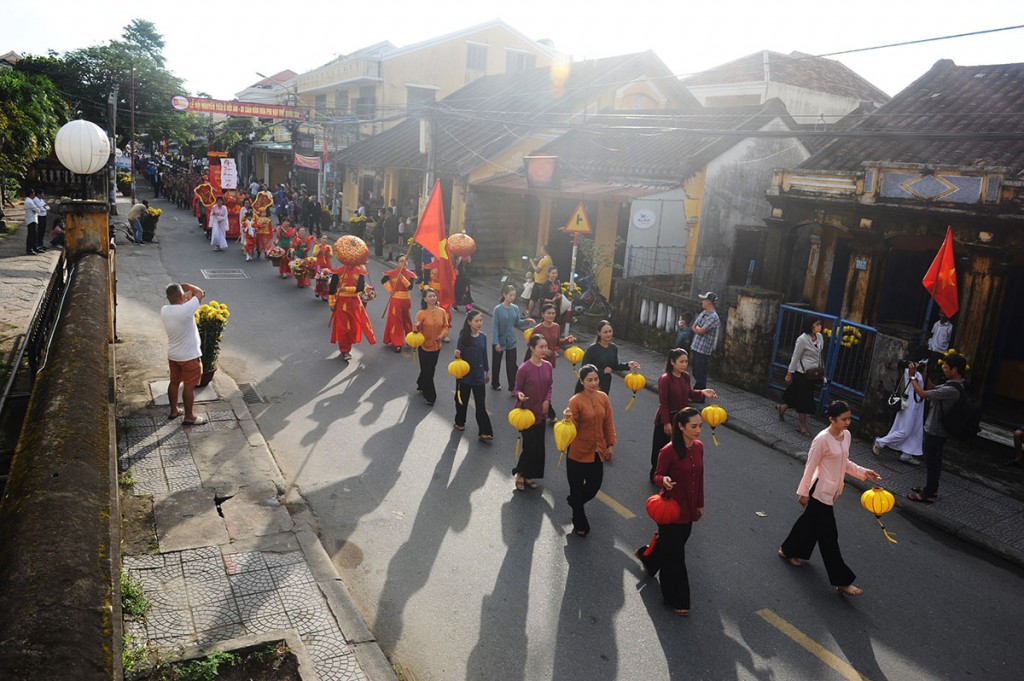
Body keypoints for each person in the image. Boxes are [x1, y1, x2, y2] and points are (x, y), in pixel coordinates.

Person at [778, 400, 881, 596]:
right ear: (831, 419)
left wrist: (864, 472)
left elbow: (844, 462)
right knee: (829, 537)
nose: (848, 423)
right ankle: (842, 580)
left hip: (833, 490)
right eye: (844, 419)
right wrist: (804, 492)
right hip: (819, 491)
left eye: (849, 418)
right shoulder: (821, 440)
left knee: (809, 524)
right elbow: (810, 467)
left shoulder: (846, 436)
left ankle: (787, 549)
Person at [636, 407, 705, 616]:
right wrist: (663, 481)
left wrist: (700, 504)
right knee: (676, 556)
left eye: (700, 426)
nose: (698, 430)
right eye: (693, 426)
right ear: (681, 426)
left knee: (672, 546)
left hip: (689, 509)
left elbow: (700, 478)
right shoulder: (668, 451)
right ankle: (676, 598)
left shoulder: (699, 447)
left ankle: (648, 557)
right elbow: (658, 475)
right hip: (671, 510)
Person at [905, 354, 967, 503]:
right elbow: (932, 389)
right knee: (934, 461)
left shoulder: (952, 389)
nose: (944, 370)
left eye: (946, 367)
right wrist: (924, 375)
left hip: (937, 430)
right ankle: (931, 488)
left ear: (955, 369)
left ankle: (929, 494)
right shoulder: (953, 384)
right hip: (937, 429)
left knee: (931, 462)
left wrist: (912, 378)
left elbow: (924, 394)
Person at [565, 364, 616, 537]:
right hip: (577, 453)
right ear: (581, 381)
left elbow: (608, 423)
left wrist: (610, 444)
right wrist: (567, 422)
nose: (594, 383)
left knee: (594, 486)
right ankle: (579, 522)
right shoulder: (575, 401)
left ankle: (574, 502)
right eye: (589, 380)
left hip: (597, 451)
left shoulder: (603, 397)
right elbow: (571, 428)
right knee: (577, 488)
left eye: (596, 379)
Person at [651, 349, 716, 483]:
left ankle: (671, 475)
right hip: (666, 419)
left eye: (686, 361)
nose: (684, 364)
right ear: (672, 362)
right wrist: (666, 423)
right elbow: (663, 403)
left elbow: (690, 393)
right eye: (681, 361)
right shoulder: (665, 379)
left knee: (677, 449)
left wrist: (703, 392)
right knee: (660, 449)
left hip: (681, 421)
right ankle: (656, 475)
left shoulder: (685, 376)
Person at [160, 283, 209, 427]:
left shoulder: (164, 310)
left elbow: (183, 305)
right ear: (181, 296)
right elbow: (200, 292)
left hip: (173, 355)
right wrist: (187, 286)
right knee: (189, 387)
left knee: (174, 382)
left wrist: (185, 296)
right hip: (189, 357)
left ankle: (174, 410)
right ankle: (189, 417)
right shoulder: (186, 310)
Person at [513, 334, 554, 490]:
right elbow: (516, 389)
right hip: (526, 414)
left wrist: (546, 401)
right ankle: (520, 474)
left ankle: (530, 475)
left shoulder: (547, 366)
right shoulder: (524, 368)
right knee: (529, 446)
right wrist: (520, 395)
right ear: (532, 348)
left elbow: (550, 386)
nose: (544, 350)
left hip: (541, 412)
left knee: (538, 447)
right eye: (541, 347)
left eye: (545, 346)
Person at [777, 317, 825, 436]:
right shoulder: (802, 339)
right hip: (802, 374)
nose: (819, 326)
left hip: (813, 373)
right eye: (817, 324)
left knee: (794, 396)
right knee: (804, 400)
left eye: (820, 324)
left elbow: (820, 355)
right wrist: (789, 373)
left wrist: (822, 372)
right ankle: (802, 426)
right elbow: (795, 357)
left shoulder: (820, 337)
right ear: (810, 325)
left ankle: (782, 408)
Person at [873, 361, 925, 466]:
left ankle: (907, 454)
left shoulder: (918, 372)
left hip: (917, 404)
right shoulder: (911, 371)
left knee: (916, 429)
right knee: (906, 430)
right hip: (909, 403)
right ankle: (881, 442)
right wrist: (913, 375)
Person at [454, 310, 493, 440]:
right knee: (461, 401)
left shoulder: (483, 337)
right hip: (464, 375)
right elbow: (457, 357)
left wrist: (487, 371)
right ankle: (460, 422)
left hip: (479, 376)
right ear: (469, 322)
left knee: (480, 404)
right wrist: (457, 355)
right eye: (476, 321)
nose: (479, 323)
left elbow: (484, 355)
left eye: (480, 320)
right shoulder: (463, 337)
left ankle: (484, 431)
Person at [329, 259, 376, 361]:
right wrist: (331, 302)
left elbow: (360, 288)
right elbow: (332, 289)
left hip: (355, 303)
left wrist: (345, 289)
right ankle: (345, 350)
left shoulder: (360, 272)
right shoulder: (337, 272)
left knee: (354, 327)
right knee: (344, 328)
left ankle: (349, 344)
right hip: (342, 303)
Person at [579, 320, 640, 395]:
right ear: (599, 333)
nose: (608, 334)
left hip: (606, 383)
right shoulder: (592, 349)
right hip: (592, 385)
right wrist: (602, 371)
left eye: (610, 331)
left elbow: (614, 366)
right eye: (605, 332)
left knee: (603, 404)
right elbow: (584, 369)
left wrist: (628, 365)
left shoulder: (613, 348)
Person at [491, 284, 533, 391]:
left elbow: (517, 323)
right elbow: (495, 327)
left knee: (511, 365)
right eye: (510, 295)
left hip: (511, 341)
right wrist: (496, 343)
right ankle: (495, 383)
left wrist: (527, 321)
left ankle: (512, 387)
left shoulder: (515, 308)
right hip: (499, 340)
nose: (512, 297)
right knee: (496, 364)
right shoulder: (498, 309)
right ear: (504, 295)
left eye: (514, 295)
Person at [414, 288, 450, 406]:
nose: (432, 298)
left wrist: (442, 335)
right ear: (425, 299)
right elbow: (416, 330)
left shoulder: (442, 312)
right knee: (428, 371)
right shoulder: (421, 313)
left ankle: (421, 382)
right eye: (429, 296)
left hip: (436, 346)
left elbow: (445, 326)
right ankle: (430, 396)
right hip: (424, 346)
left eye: (434, 296)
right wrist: (417, 326)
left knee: (431, 369)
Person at [381, 255, 418, 352]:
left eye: (405, 261)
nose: (404, 262)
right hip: (395, 300)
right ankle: (397, 343)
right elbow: (383, 280)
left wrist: (402, 278)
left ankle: (410, 339)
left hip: (406, 300)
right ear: (397, 263)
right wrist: (390, 290)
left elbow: (410, 287)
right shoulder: (392, 273)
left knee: (407, 320)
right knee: (396, 321)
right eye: (401, 261)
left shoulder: (410, 274)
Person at [690, 292, 720, 390]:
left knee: (700, 372)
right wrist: (698, 329)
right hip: (696, 346)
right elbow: (694, 326)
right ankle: (698, 392)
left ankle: (699, 394)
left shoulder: (714, 317)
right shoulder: (704, 313)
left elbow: (702, 330)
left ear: (709, 302)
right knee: (695, 370)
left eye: (704, 300)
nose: (702, 302)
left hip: (703, 349)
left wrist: (698, 329)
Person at [926, 312, 954, 382]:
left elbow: (950, 341)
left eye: (944, 314)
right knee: (928, 369)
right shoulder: (936, 324)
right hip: (932, 349)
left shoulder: (950, 327)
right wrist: (929, 345)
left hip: (940, 353)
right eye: (941, 313)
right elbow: (932, 335)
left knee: (936, 372)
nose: (942, 315)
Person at [527, 244, 553, 318]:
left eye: (541, 249)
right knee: (542, 300)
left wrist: (532, 263)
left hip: (539, 281)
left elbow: (537, 270)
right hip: (545, 282)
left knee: (533, 299)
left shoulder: (543, 260)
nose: (540, 251)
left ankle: (529, 315)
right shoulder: (550, 260)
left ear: (545, 250)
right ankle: (540, 315)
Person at [312, 235, 334, 300]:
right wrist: (319, 248)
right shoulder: (317, 246)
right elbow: (314, 255)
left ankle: (325, 294)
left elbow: (331, 256)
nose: (324, 240)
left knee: (327, 280)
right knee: (319, 280)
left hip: (327, 266)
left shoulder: (329, 246)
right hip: (319, 266)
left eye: (326, 239)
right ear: (320, 239)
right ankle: (317, 290)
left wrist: (326, 251)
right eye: (323, 238)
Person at [23, 188, 42, 255]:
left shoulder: (30, 200)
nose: (34, 195)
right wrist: (37, 209)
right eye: (34, 193)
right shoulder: (29, 201)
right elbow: (37, 210)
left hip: (33, 219)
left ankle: (34, 247)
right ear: (31, 194)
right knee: (31, 235)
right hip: (31, 220)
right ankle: (30, 249)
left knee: (34, 235)